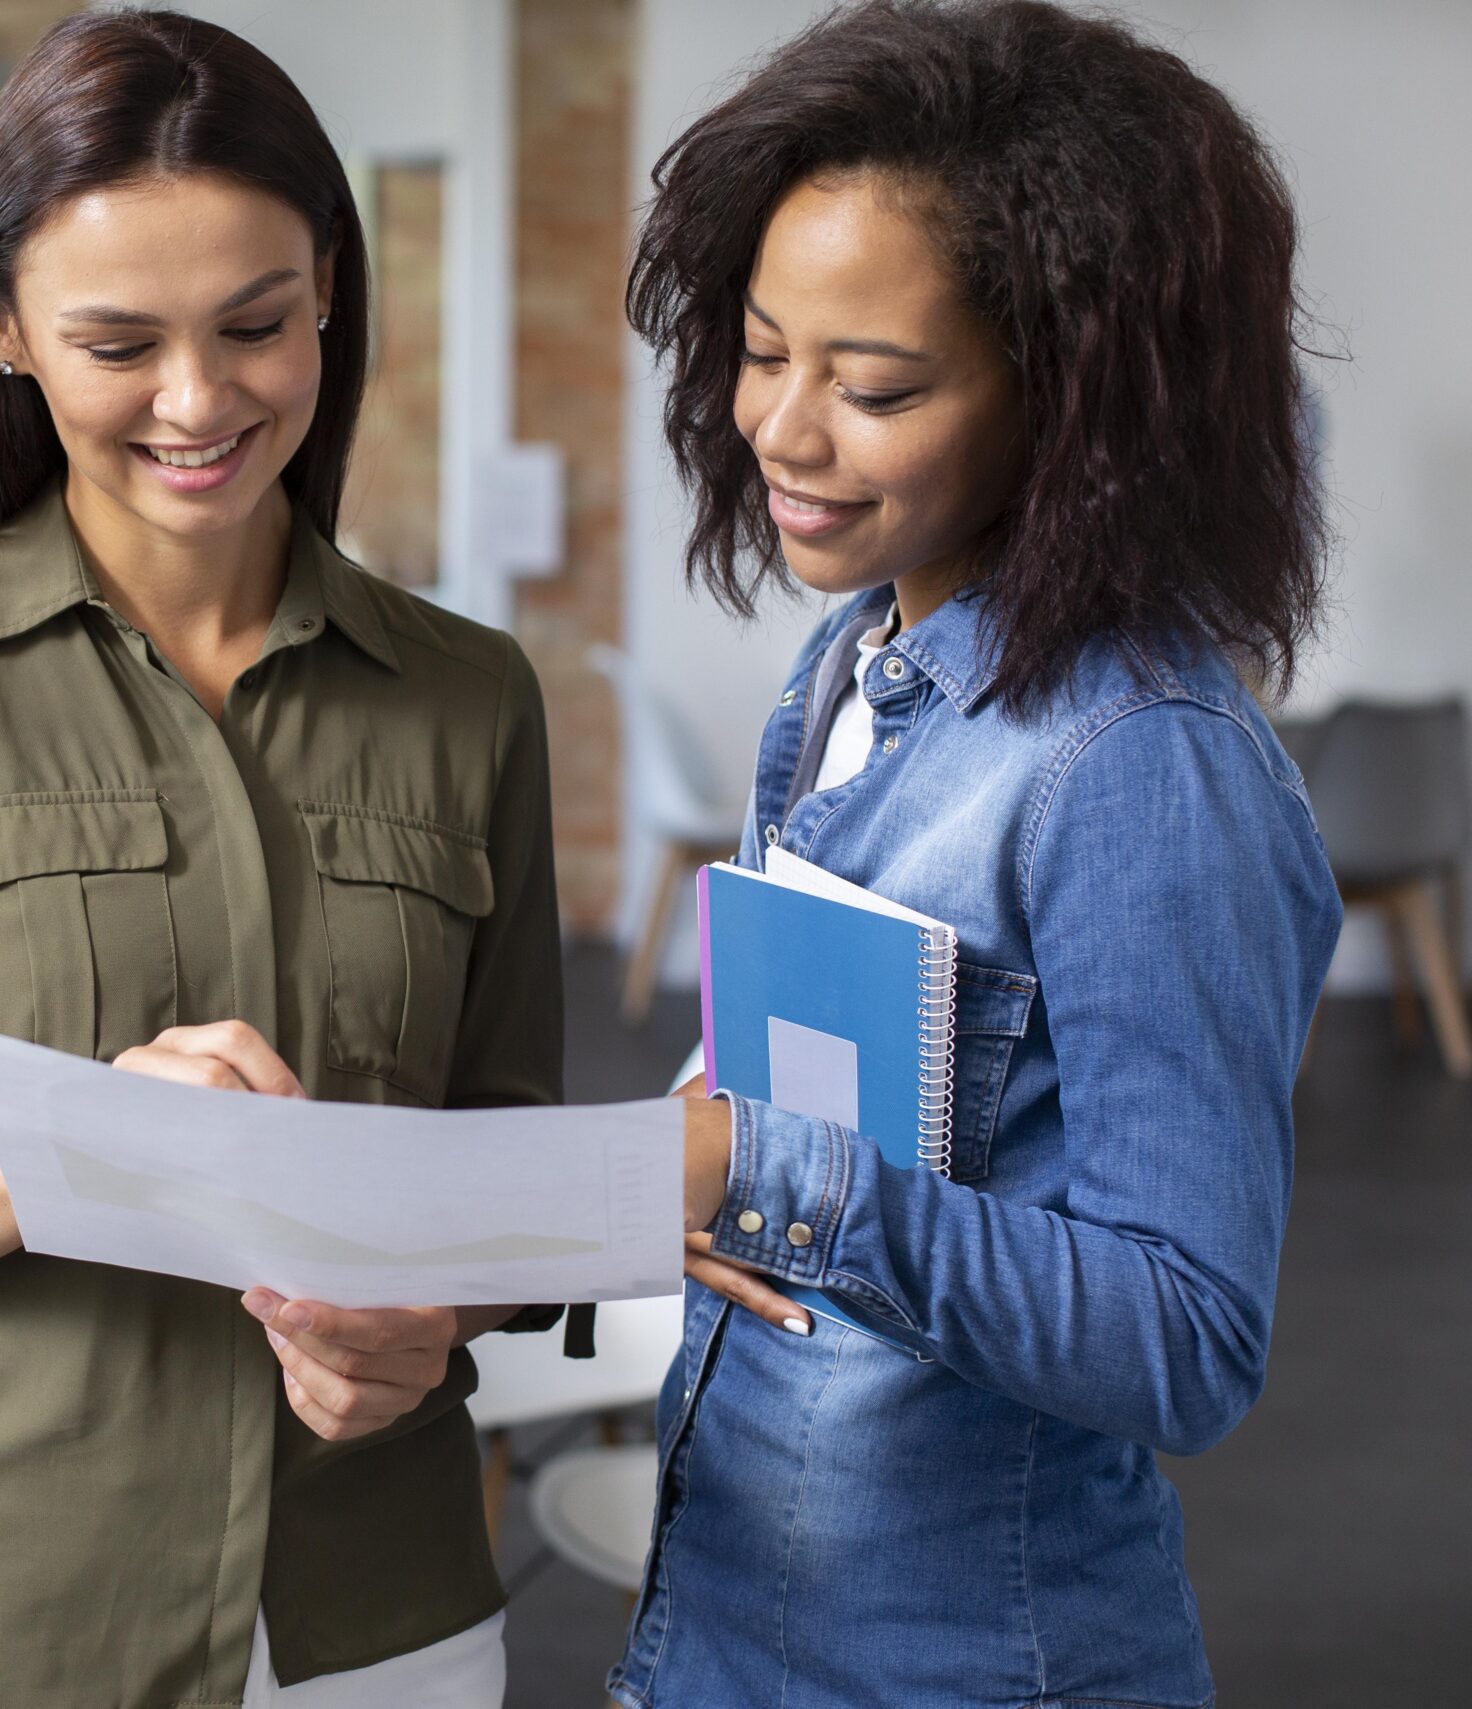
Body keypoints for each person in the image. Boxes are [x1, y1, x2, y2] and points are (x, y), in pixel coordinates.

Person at [0, 11, 571, 1705]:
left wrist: (435, 1317)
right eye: (119, 342)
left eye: (256, 325)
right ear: (2, 323)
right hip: (8, 1614)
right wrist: (83, 1152)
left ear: (330, 292)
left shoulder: (469, 696)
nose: (199, 400)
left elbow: (504, 1157)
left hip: (385, 1613)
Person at [617, 4, 1341, 1705]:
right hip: (728, 1617)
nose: (782, 428)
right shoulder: (853, 659)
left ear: (1074, 400)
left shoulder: (1144, 765)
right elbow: (870, 1100)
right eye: (763, 350)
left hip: (960, 1663)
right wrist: (701, 1134)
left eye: (872, 386)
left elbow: (1186, 1337)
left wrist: (762, 1170)